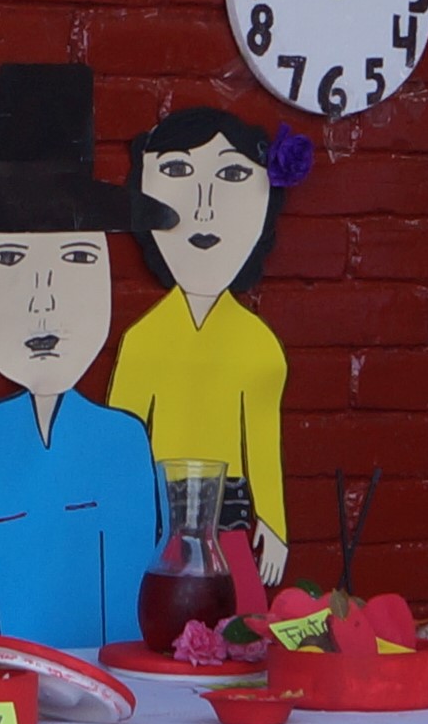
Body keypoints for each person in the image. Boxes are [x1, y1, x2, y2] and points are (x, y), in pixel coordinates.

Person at [0, 62, 172, 649]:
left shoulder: (124, 446)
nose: (43, 297)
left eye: (78, 258)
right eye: (7, 260)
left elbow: (133, 628)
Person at [108, 107, 301, 581]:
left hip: (230, 511)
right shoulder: (143, 339)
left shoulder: (257, 344)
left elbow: (262, 440)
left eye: (232, 175)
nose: (204, 207)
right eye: (176, 171)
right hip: (156, 510)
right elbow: (121, 444)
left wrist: (274, 525)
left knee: (238, 611)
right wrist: (115, 521)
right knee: (153, 605)